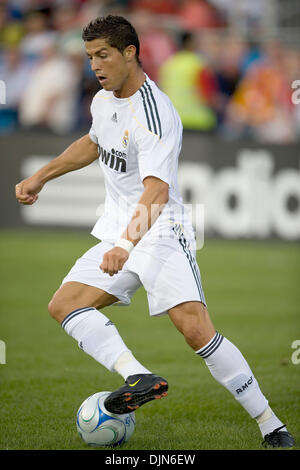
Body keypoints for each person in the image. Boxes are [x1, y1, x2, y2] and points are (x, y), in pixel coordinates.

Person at [15, 15, 294, 449]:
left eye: (103, 55)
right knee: (65, 304)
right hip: (119, 228)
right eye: (90, 57)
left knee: (195, 329)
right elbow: (93, 141)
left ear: (131, 52)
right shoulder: (103, 100)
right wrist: (42, 177)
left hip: (161, 228)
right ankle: (136, 375)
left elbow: (158, 190)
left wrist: (127, 245)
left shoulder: (156, 113)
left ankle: (270, 424)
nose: (96, 66)